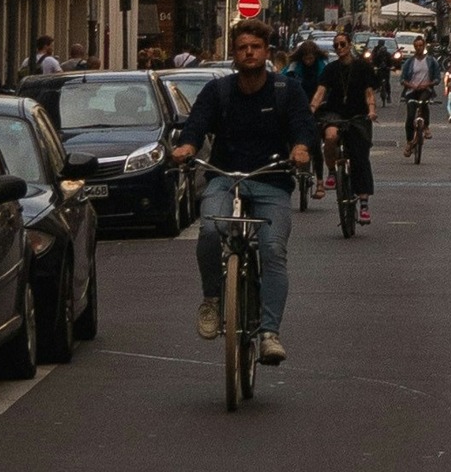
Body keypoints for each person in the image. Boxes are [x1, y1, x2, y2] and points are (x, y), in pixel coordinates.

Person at [169, 19, 315, 367]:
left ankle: (269, 334)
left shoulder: (286, 90)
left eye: (255, 47)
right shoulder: (218, 92)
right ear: (233, 54)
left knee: (273, 249)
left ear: (267, 52)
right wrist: (187, 146)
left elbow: (302, 126)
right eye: (242, 48)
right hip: (225, 177)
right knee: (208, 231)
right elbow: (196, 126)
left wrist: (301, 148)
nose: (249, 53)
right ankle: (213, 301)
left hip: (271, 179)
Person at [312, 33, 378, 223]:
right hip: (335, 113)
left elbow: (369, 93)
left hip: (358, 114)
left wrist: (371, 110)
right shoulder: (331, 69)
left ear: (349, 45)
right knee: (330, 136)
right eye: (336, 45)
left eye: (342, 44)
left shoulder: (362, 67)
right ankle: (332, 171)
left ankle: (364, 204)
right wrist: (311, 109)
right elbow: (320, 92)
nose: (339, 48)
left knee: (360, 158)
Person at [398, 36, 441, 157]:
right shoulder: (409, 62)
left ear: (424, 46)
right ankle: (409, 142)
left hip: (426, 89)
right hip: (412, 91)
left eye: (420, 45)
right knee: (410, 116)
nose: (418, 48)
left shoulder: (431, 61)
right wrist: (410, 85)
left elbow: (437, 78)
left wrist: (428, 84)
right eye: (416, 46)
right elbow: (402, 79)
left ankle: (426, 126)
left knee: (423, 102)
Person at [367, 39, 395, 105]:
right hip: (380, 70)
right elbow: (374, 62)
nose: (383, 54)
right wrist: (374, 67)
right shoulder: (377, 54)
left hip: (386, 70)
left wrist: (391, 67)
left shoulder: (388, 55)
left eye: (384, 53)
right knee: (376, 80)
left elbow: (391, 63)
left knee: (387, 82)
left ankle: (389, 95)